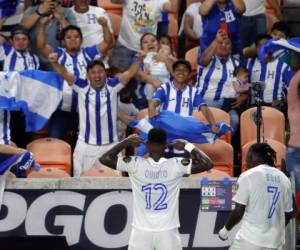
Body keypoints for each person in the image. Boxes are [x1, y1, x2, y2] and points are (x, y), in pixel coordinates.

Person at [99, 128, 213, 250]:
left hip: (140, 232)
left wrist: (126, 142)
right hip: (167, 232)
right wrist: (187, 145)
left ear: (147, 144)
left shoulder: (135, 164)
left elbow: (105, 158)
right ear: (165, 146)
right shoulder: (176, 165)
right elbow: (207, 163)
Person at [48, 50, 146, 177]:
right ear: (87, 75)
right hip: (85, 146)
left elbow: (129, 73)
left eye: (100, 71)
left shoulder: (113, 85)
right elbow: (65, 73)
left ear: (106, 73)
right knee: (81, 185)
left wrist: (139, 59)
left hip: (110, 146)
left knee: (114, 187)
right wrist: (55, 62)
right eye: (93, 73)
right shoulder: (81, 86)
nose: (97, 75)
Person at [38, 15, 113, 145]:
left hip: (85, 111)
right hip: (61, 111)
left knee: (85, 144)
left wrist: (105, 25)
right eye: (69, 37)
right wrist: (43, 26)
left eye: (76, 37)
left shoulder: (88, 53)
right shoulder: (58, 54)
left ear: (81, 40)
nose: (73, 40)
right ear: (63, 41)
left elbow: (107, 43)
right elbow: (41, 45)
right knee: (54, 144)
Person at [218, 142, 293, 249]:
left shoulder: (247, 176)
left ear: (252, 157)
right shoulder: (285, 179)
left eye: (247, 158)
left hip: (250, 241)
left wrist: (224, 231)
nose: (246, 162)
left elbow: (238, 211)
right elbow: (288, 214)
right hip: (275, 243)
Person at [109, 0, 180, 72]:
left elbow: (174, 8)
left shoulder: (159, 1)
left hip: (148, 51)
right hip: (124, 47)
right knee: (116, 79)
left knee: (144, 81)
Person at [197, 30, 242, 133]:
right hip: (205, 102)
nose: (223, 45)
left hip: (227, 105)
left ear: (231, 47)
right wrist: (216, 41)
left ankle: (224, 146)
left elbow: (243, 83)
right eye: (220, 43)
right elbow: (203, 60)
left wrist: (243, 97)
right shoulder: (207, 59)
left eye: (227, 43)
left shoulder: (237, 64)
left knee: (234, 120)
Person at [20, 0, 77, 70]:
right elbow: (21, 29)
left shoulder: (67, 12)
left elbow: (75, 37)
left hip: (57, 61)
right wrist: (39, 12)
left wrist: (61, 19)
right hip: (33, 60)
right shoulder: (32, 10)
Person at [245, 34, 292, 112]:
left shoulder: (283, 67)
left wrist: (282, 101)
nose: (264, 48)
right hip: (252, 107)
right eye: (260, 46)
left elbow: (291, 90)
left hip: (274, 107)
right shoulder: (248, 64)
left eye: (267, 45)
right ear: (256, 49)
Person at [286, 68, 300, 218]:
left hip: (295, 154)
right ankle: (295, 230)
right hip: (296, 154)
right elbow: (294, 83)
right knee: (296, 196)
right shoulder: (294, 105)